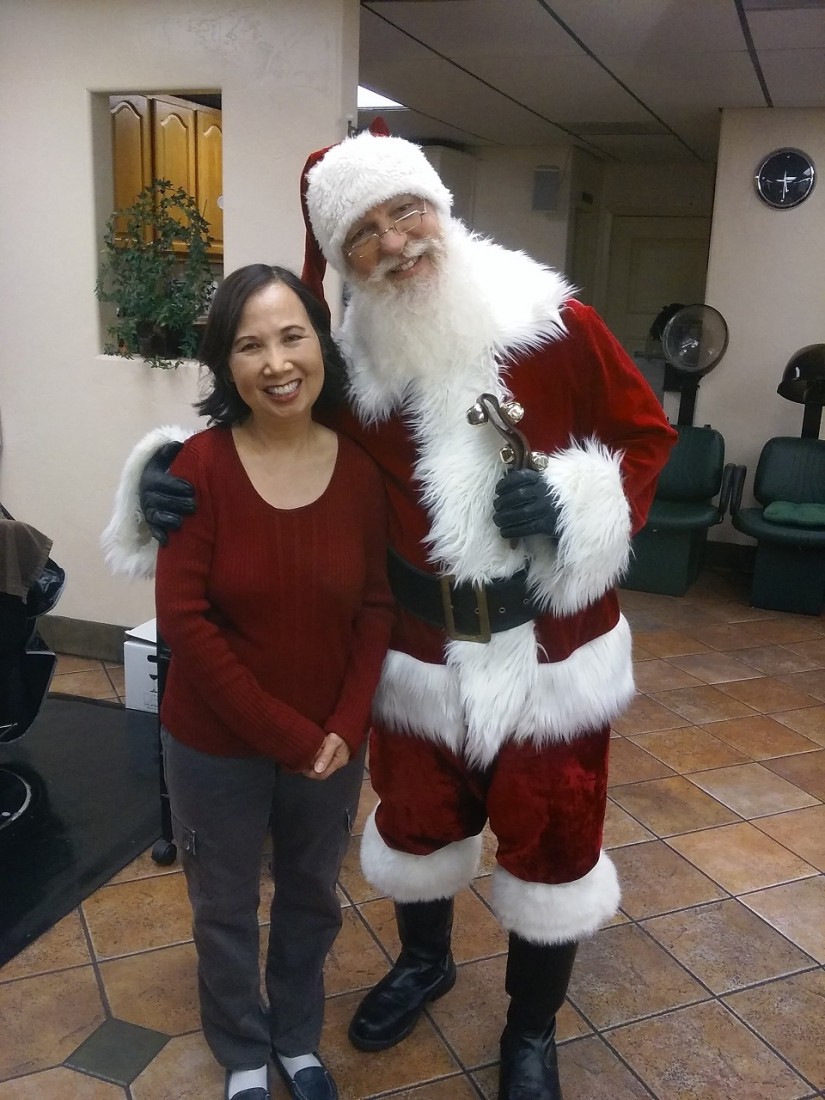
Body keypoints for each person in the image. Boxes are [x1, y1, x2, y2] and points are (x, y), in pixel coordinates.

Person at [106, 132, 677, 1100]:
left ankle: (530, 1030)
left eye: (405, 211)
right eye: (363, 232)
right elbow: (264, 427)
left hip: (550, 651)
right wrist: (166, 471)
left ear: (439, 206)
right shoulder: (347, 368)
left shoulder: (555, 323)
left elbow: (644, 435)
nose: (396, 242)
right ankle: (424, 960)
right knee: (418, 826)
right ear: (342, 259)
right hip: (412, 649)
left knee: (553, 845)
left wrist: (577, 504)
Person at [104, 264, 394, 1100]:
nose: (275, 363)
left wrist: (345, 723)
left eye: (292, 337)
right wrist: (289, 735)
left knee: (311, 898)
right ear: (225, 365)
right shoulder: (197, 469)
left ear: (321, 345)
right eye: (249, 345)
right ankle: (240, 1052)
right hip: (216, 744)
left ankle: (296, 1039)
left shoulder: (358, 472)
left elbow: (375, 607)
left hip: (331, 742)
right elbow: (185, 622)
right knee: (224, 907)